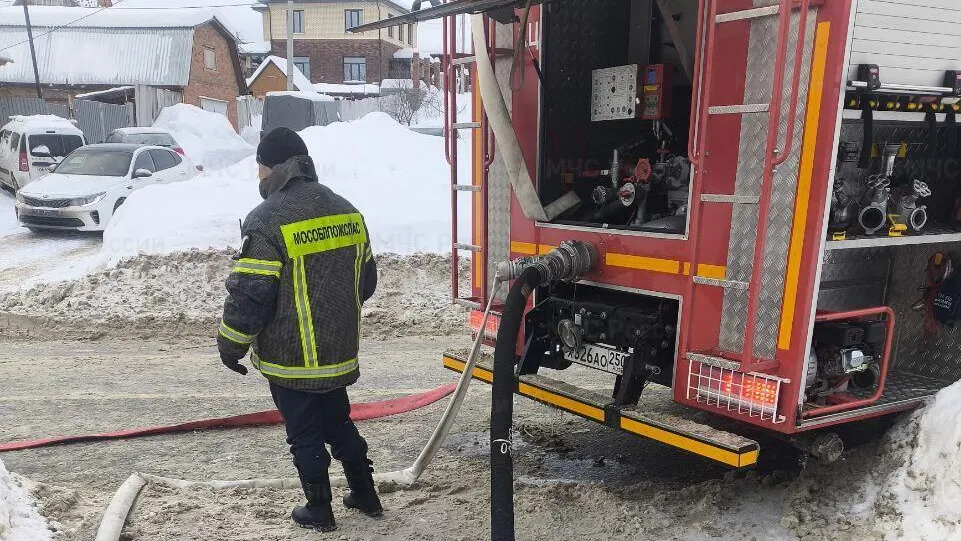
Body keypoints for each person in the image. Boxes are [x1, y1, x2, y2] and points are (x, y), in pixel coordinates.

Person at [217, 127, 381, 532]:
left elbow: (251, 295)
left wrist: (230, 344)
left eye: (259, 169)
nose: (258, 178)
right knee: (338, 421)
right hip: (338, 353)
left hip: (292, 360)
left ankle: (320, 511)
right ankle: (365, 494)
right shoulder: (347, 210)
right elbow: (367, 282)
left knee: (304, 432)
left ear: (272, 168)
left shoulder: (267, 219)